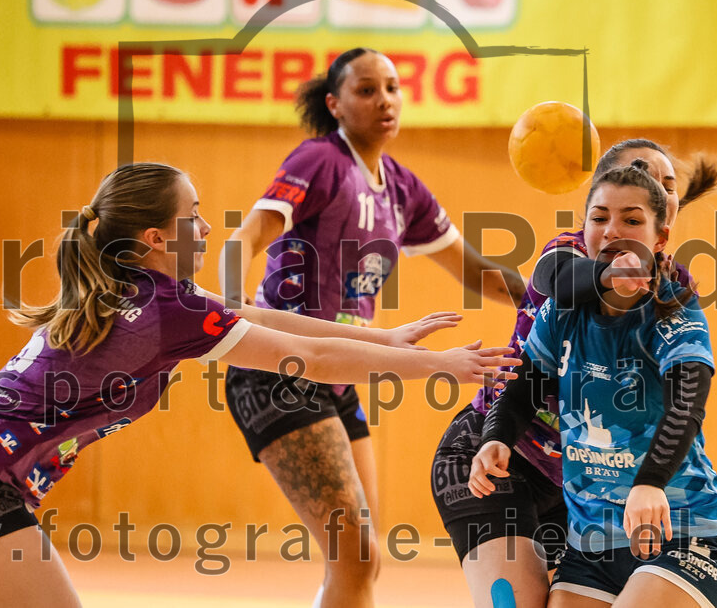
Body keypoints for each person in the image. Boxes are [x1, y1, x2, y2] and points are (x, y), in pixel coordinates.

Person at [0, 162, 517, 607]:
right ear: (156, 239)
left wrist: (384, 340)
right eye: (192, 216)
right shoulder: (165, 307)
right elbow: (308, 356)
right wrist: (439, 366)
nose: (204, 227)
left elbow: (259, 316)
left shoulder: (147, 293)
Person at [220, 47, 525, 608]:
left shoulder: (403, 187)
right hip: (280, 369)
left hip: (338, 370)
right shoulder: (319, 160)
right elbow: (243, 238)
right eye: (366, 90)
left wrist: (547, 297)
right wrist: (234, 309)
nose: (384, 99)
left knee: (363, 561)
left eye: (391, 86)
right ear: (335, 104)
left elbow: (474, 269)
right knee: (354, 552)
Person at [431, 139, 717, 608]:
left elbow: (681, 396)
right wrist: (611, 275)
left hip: (583, 485)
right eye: (640, 173)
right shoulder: (566, 251)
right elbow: (560, 285)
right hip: (500, 451)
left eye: (667, 185)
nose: (658, 188)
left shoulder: (673, 288)